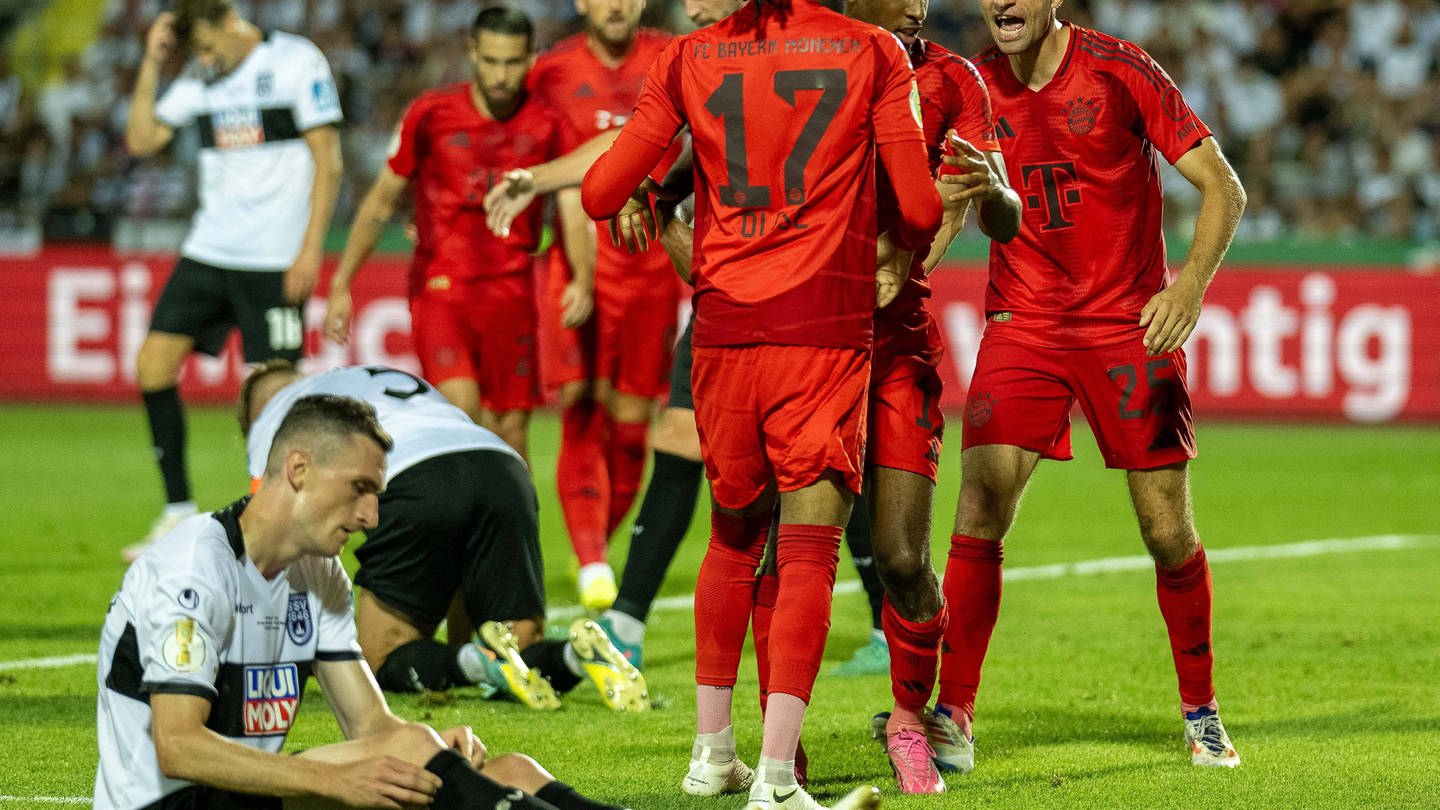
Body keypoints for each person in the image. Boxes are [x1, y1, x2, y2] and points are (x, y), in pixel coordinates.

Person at [581, 1, 942, 807]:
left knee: (732, 539)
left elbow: (603, 191)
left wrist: (649, 187)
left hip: (721, 334)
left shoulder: (687, 55)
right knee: (809, 550)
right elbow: (919, 212)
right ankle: (776, 780)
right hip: (820, 329)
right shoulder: (874, 50)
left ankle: (712, 756)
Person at [935, 0, 1247, 773]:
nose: (1002, 3)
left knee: (1165, 530)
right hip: (1024, 322)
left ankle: (1201, 709)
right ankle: (953, 713)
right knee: (979, 504)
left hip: (1126, 325)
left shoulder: (1120, 70)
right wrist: (901, 266)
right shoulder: (972, 85)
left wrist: (1189, 290)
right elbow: (946, 210)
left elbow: (1224, 188)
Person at [95, 394, 630, 810]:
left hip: (252, 795)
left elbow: (371, 727)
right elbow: (178, 745)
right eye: (359, 488)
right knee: (412, 755)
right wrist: (333, 778)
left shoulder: (317, 570)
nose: (372, 516)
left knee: (507, 771)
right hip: (173, 800)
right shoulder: (195, 566)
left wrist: (440, 756)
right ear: (298, 470)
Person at [827, 0, 1023, 795]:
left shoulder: (953, 78)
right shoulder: (812, 64)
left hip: (898, 339)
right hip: (807, 334)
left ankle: (912, 720)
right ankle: (776, 752)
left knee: (904, 557)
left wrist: (901, 263)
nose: (917, 3)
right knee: (782, 551)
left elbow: (962, 192)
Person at [238, 361, 649, 714]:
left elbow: (270, 536)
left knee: (381, 655)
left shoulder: (279, 417)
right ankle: (576, 655)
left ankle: (476, 662)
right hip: (502, 469)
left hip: (413, 477)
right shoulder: (367, 376)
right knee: (517, 645)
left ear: (255, 414)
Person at [322, 6, 594, 465]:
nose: (501, 75)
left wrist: (582, 278)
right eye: (491, 61)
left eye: (512, 62)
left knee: (510, 432)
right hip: (441, 289)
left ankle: (511, 537)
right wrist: (341, 282)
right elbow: (382, 199)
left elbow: (571, 207)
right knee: (460, 414)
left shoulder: (550, 123)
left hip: (512, 292)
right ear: (472, 53)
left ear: (531, 58)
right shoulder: (430, 113)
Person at [123, 0, 342, 561]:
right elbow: (143, 140)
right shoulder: (201, 74)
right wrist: (153, 62)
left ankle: (283, 517)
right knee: (152, 363)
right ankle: (175, 512)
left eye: (207, 46)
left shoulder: (295, 61)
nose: (203, 58)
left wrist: (311, 247)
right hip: (210, 250)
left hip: (273, 256)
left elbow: (329, 159)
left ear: (228, 22)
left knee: (277, 391)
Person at [525, 0, 685, 610]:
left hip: (652, 263)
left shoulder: (671, 57)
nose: (616, 4)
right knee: (580, 405)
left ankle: (597, 540)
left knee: (630, 428)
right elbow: (527, 146)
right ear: (580, 3)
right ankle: (593, 558)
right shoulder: (552, 70)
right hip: (577, 260)